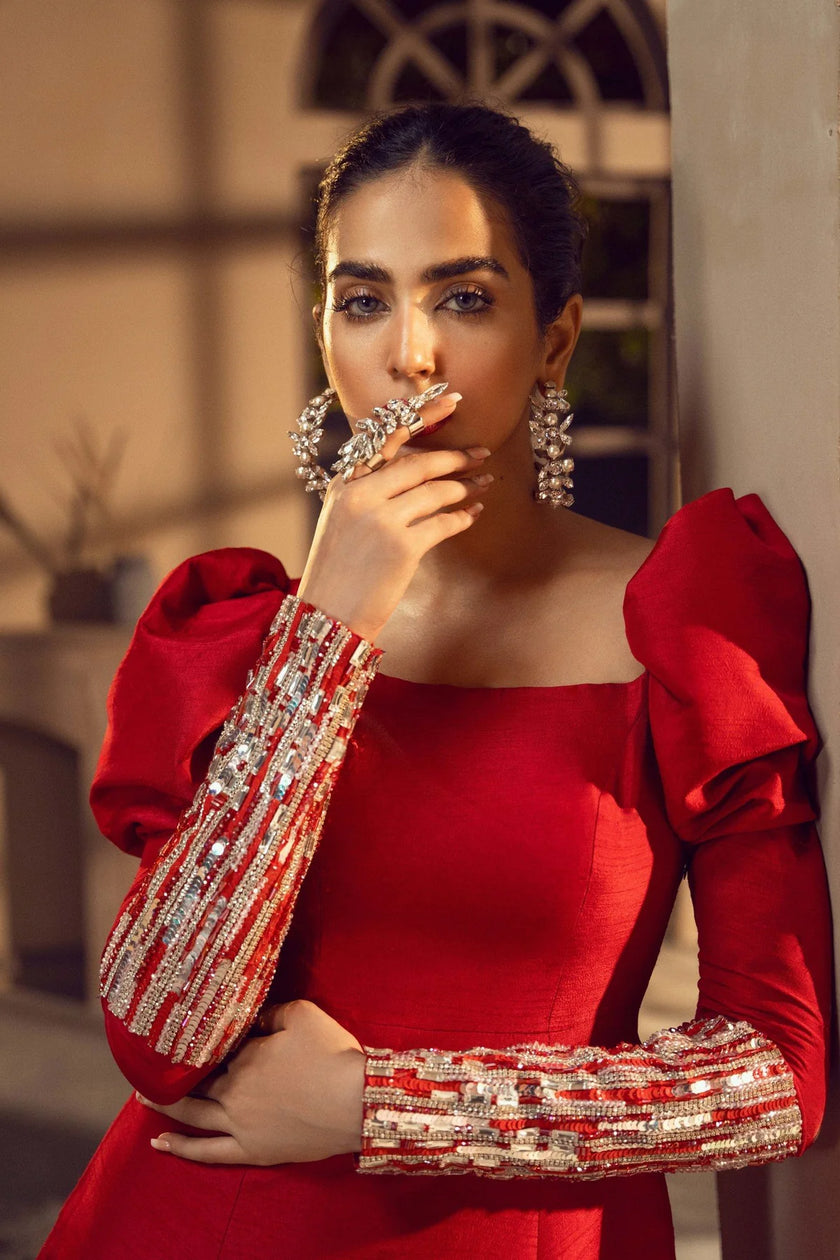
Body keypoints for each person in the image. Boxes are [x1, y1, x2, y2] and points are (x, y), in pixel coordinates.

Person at [40, 103, 831, 1260]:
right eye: (363, 300)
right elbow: (162, 1037)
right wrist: (328, 629)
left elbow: (774, 1079)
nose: (408, 353)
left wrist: (376, 1105)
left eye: (463, 297)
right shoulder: (242, 629)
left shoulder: (680, 619)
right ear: (323, 328)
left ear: (555, 339)